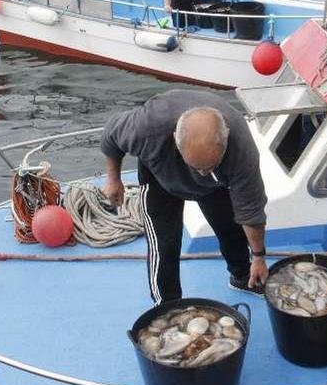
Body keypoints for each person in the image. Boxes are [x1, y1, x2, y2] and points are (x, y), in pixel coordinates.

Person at [100, 90, 269, 304]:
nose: (201, 173)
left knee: (232, 230)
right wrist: (114, 179)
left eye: (208, 166)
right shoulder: (147, 127)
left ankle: (243, 276)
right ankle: (167, 304)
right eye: (196, 167)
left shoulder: (241, 149)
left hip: (215, 185)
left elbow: (251, 212)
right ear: (174, 139)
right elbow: (110, 136)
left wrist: (259, 257)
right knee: (165, 246)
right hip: (159, 178)